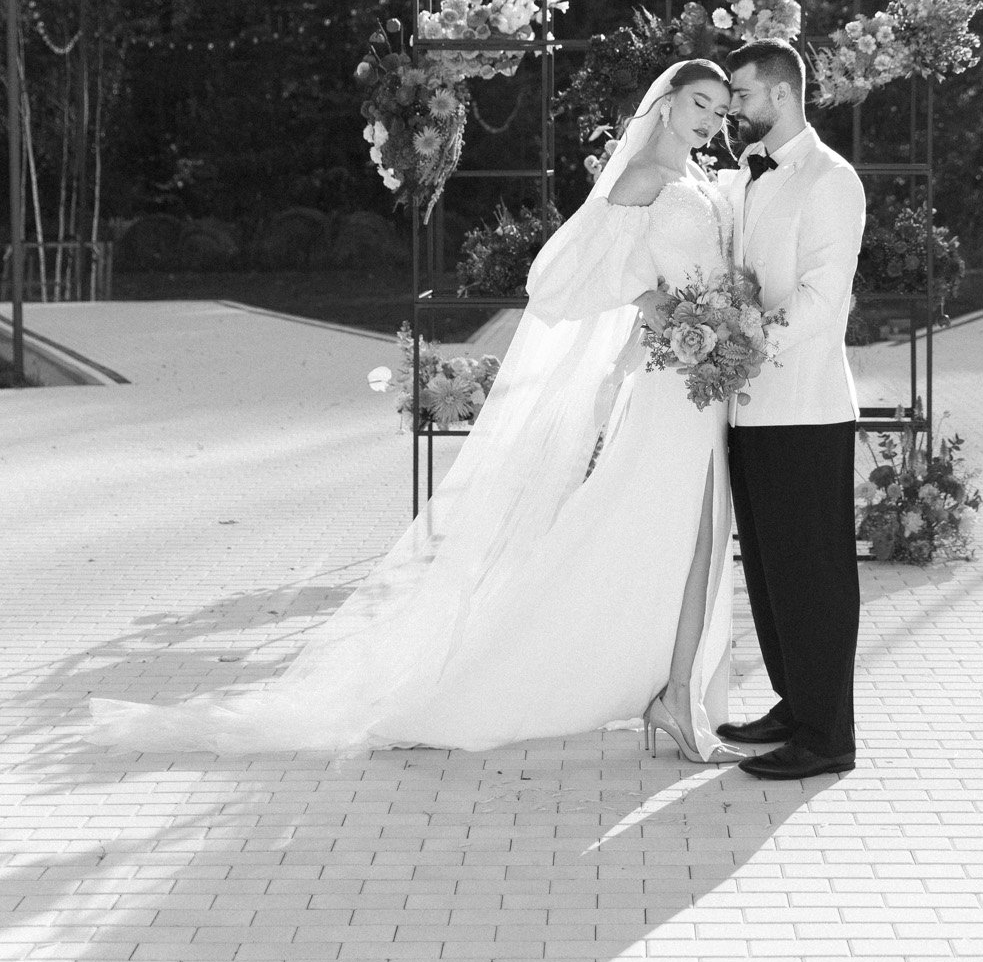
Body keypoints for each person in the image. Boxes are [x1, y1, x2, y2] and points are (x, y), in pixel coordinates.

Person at [90, 61, 743, 762]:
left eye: (718, 109)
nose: (708, 118)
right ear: (667, 103)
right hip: (672, 378)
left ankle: (670, 686)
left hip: (702, 380)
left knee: (688, 538)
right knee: (683, 534)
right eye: (697, 103)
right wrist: (657, 308)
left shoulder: (699, 179)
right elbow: (559, 280)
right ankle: (655, 691)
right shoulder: (641, 175)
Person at [718, 39, 867, 780]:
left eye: (740, 93)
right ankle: (792, 702)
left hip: (805, 406)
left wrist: (746, 340)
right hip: (748, 411)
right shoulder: (744, 177)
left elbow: (821, 298)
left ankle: (827, 735)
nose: (731, 107)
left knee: (814, 574)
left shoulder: (829, 179)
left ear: (779, 95)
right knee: (773, 574)